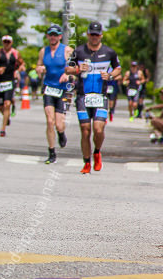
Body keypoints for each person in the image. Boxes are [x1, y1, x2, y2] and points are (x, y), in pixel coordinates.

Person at [67, 21, 121, 174]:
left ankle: (97, 151)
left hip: (100, 96)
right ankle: (86, 162)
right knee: (85, 130)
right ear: (87, 34)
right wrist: (77, 69)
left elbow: (118, 69)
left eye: (97, 35)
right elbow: (67, 68)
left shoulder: (109, 52)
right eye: (92, 34)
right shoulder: (79, 51)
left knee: (98, 129)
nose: (94, 37)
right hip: (83, 97)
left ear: (101, 35)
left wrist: (110, 75)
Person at [35, 24, 72, 164]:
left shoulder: (67, 50)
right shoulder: (42, 51)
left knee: (59, 124)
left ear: (60, 36)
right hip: (49, 88)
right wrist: (40, 69)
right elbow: (39, 65)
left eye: (55, 34)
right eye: (50, 34)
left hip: (63, 90)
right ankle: (51, 152)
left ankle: (61, 134)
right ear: (47, 36)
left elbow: (75, 67)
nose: (53, 37)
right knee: (49, 121)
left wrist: (67, 75)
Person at [0, 35, 25, 137]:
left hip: (10, 81)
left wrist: (17, 71)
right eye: (5, 42)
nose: (6, 44)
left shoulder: (16, 53)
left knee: (7, 103)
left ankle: (2, 129)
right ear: (2, 42)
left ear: (11, 43)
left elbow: (22, 64)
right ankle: (6, 118)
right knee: (0, 106)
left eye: (8, 42)